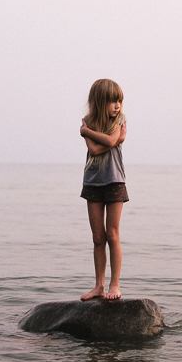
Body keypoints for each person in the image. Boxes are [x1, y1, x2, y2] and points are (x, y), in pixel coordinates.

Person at [78, 78, 128, 301]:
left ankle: (114, 284)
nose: (117, 105)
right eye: (112, 101)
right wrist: (107, 139)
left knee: (112, 234)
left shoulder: (119, 120)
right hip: (93, 181)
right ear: (100, 101)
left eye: (119, 101)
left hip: (114, 180)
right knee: (98, 237)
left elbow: (106, 144)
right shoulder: (89, 120)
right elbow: (94, 149)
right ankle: (99, 286)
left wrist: (86, 132)